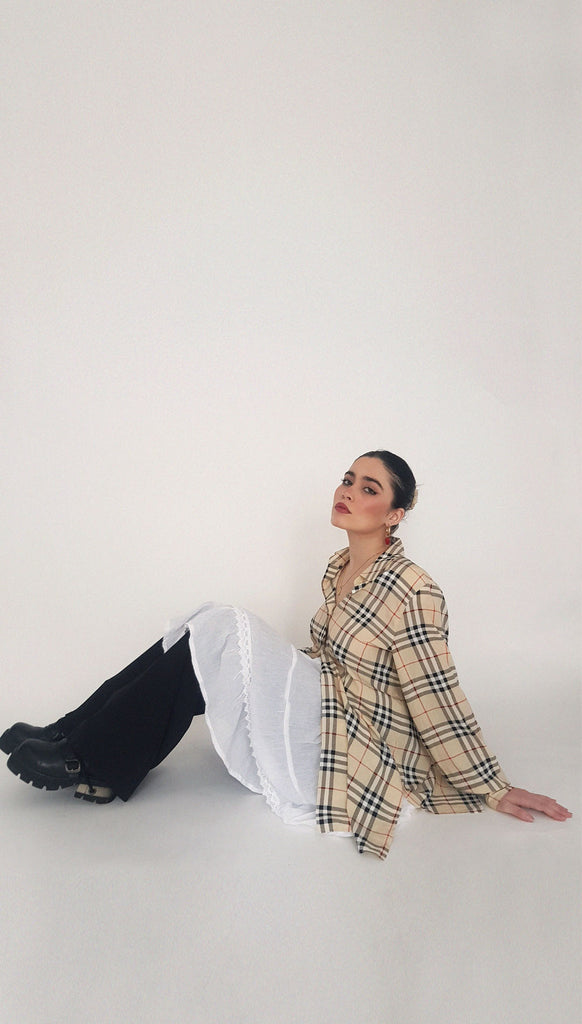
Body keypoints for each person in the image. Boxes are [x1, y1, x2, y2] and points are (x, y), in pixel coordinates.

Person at [1, 450, 571, 860]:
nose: (349, 492)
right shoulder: (339, 568)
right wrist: (254, 669)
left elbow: (435, 694)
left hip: (356, 737)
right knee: (207, 628)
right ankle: (74, 736)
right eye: (348, 480)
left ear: (395, 514)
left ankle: (88, 757)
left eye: (369, 488)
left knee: (224, 625)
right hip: (324, 699)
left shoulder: (413, 588)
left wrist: (494, 786)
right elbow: (325, 653)